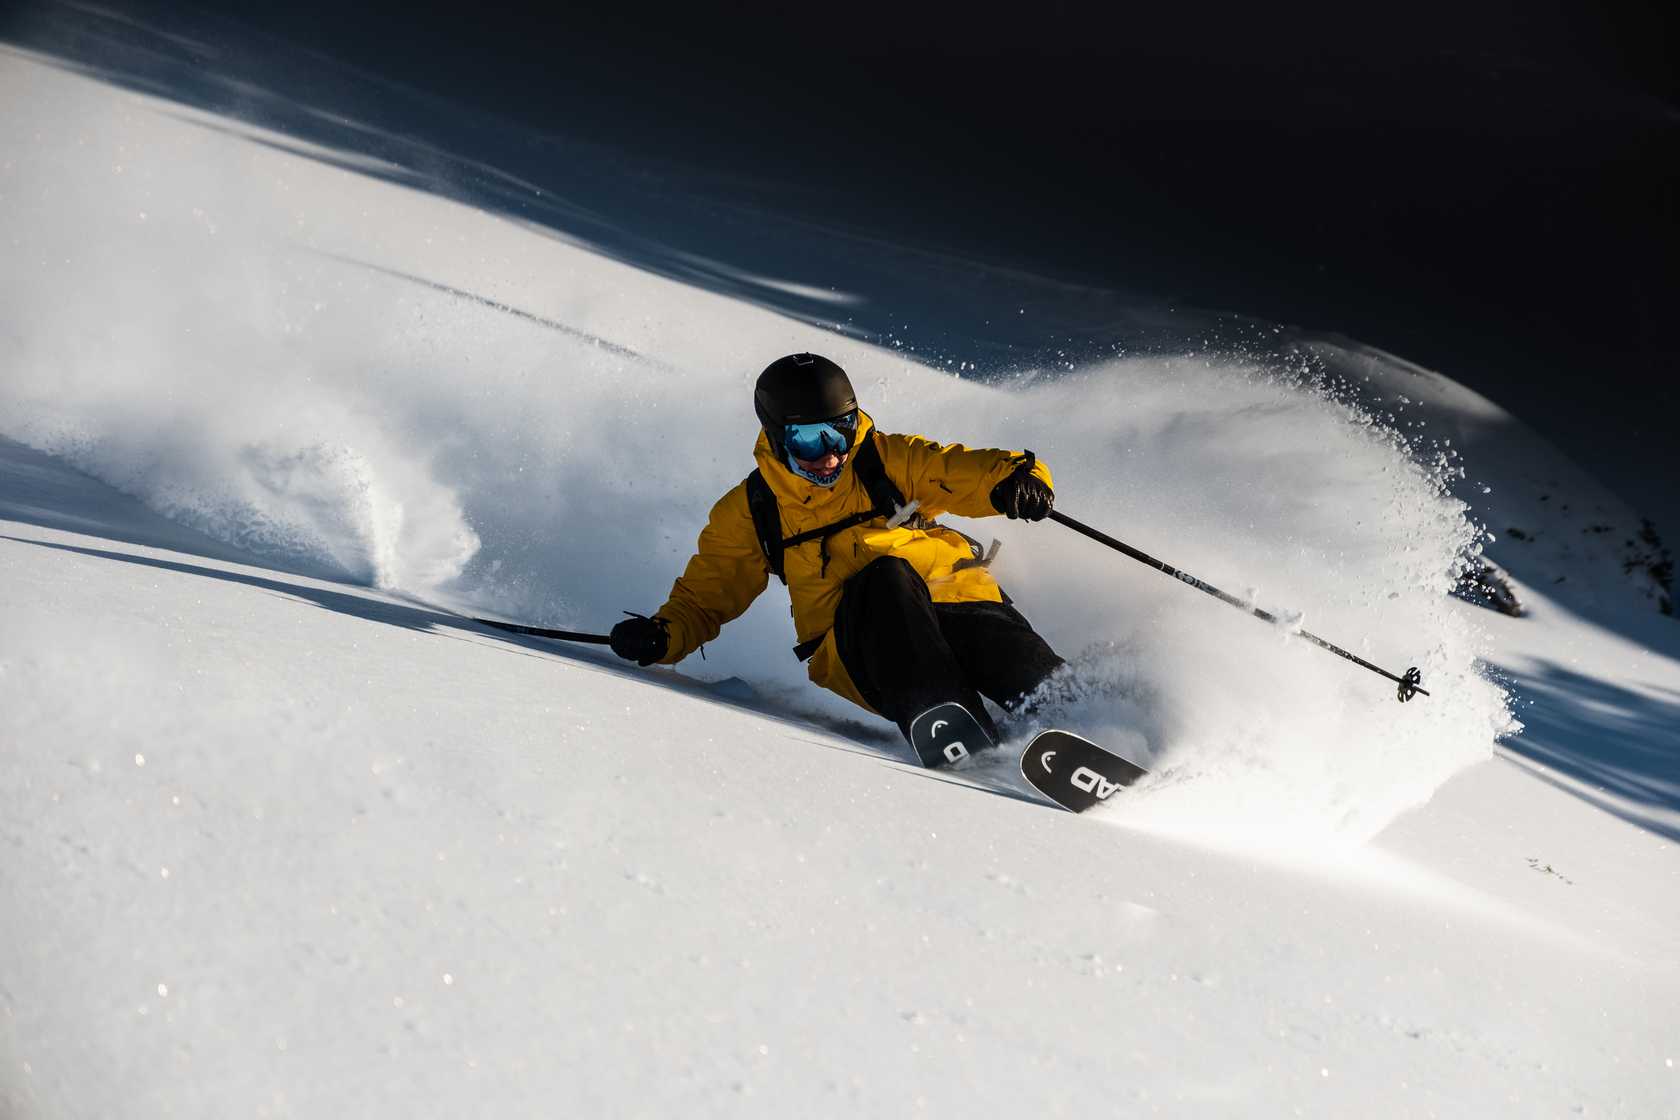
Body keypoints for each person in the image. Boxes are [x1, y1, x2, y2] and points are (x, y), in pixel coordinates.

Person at [608, 352, 1064, 743]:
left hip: (954, 600)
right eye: (809, 439)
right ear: (776, 436)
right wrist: (663, 637)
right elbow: (706, 596)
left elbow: (967, 470)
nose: (831, 454)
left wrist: (1016, 481)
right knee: (886, 576)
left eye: (840, 431)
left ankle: (1081, 714)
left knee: (1004, 652)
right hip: (861, 647)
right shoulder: (753, 509)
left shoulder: (886, 460)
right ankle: (946, 719)